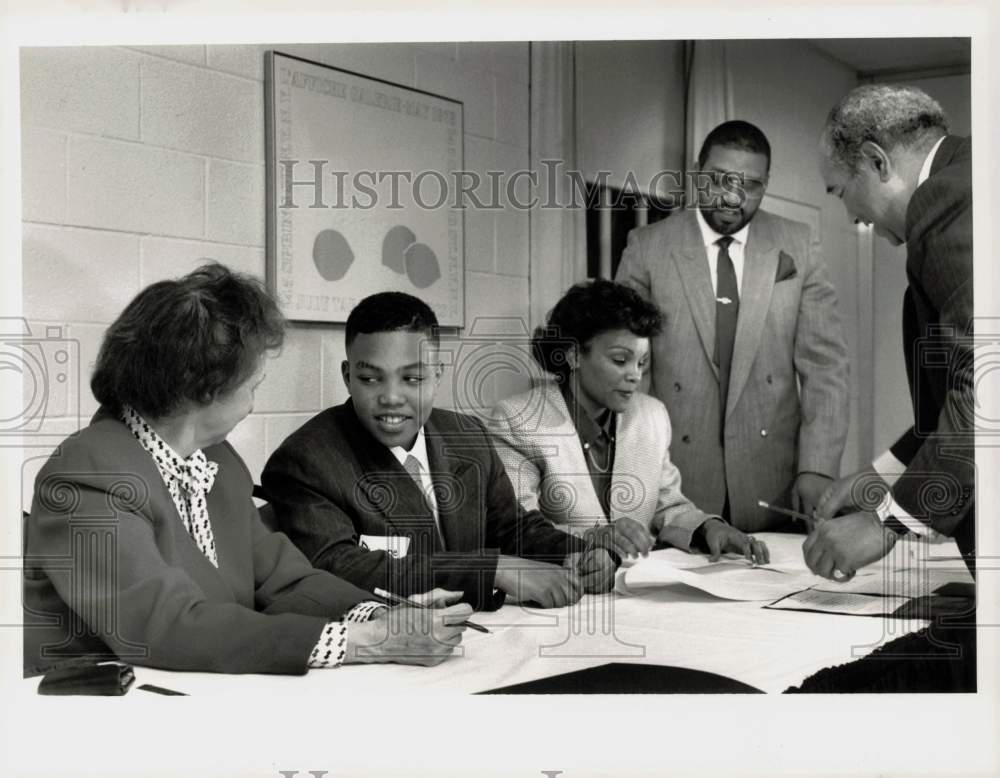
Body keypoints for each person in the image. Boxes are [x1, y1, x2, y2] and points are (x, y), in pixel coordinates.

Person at [23, 264, 470, 677]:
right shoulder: (86, 476)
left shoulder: (217, 461)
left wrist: (382, 615)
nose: (254, 401)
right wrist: (366, 642)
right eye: (252, 385)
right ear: (204, 390)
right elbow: (165, 628)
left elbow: (285, 579)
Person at [261, 292, 614, 610]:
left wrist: (580, 554)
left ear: (437, 374)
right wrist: (493, 570)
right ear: (347, 375)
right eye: (370, 379)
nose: (391, 397)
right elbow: (337, 566)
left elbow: (512, 527)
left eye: (412, 378)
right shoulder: (307, 459)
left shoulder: (467, 434)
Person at [615, 120, 849, 532]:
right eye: (719, 179)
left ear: (766, 184)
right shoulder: (648, 248)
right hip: (678, 481)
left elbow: (825, 368)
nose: (732, 197)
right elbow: (630, 375)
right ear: (695, 172)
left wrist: (818, 469)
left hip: (776, 484)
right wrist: (635, 478)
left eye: (751, 185)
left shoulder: (798, 243)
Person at [811, 84, 974, 579]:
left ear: (878, 162)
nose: (852, 218)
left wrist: (886, 523)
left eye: (840, 192)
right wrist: (881, 475)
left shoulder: (946, 200)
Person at [490, 279, 768, 565]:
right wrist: (593, 538)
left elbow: (667, 505)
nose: (635, 375)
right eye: (621, 360)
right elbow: (517, 532)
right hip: (566, 589)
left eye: (641, 362)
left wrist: (708, 528)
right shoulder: (519, 421)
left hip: (637, 591)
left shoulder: (652, 416)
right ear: (574, 355)